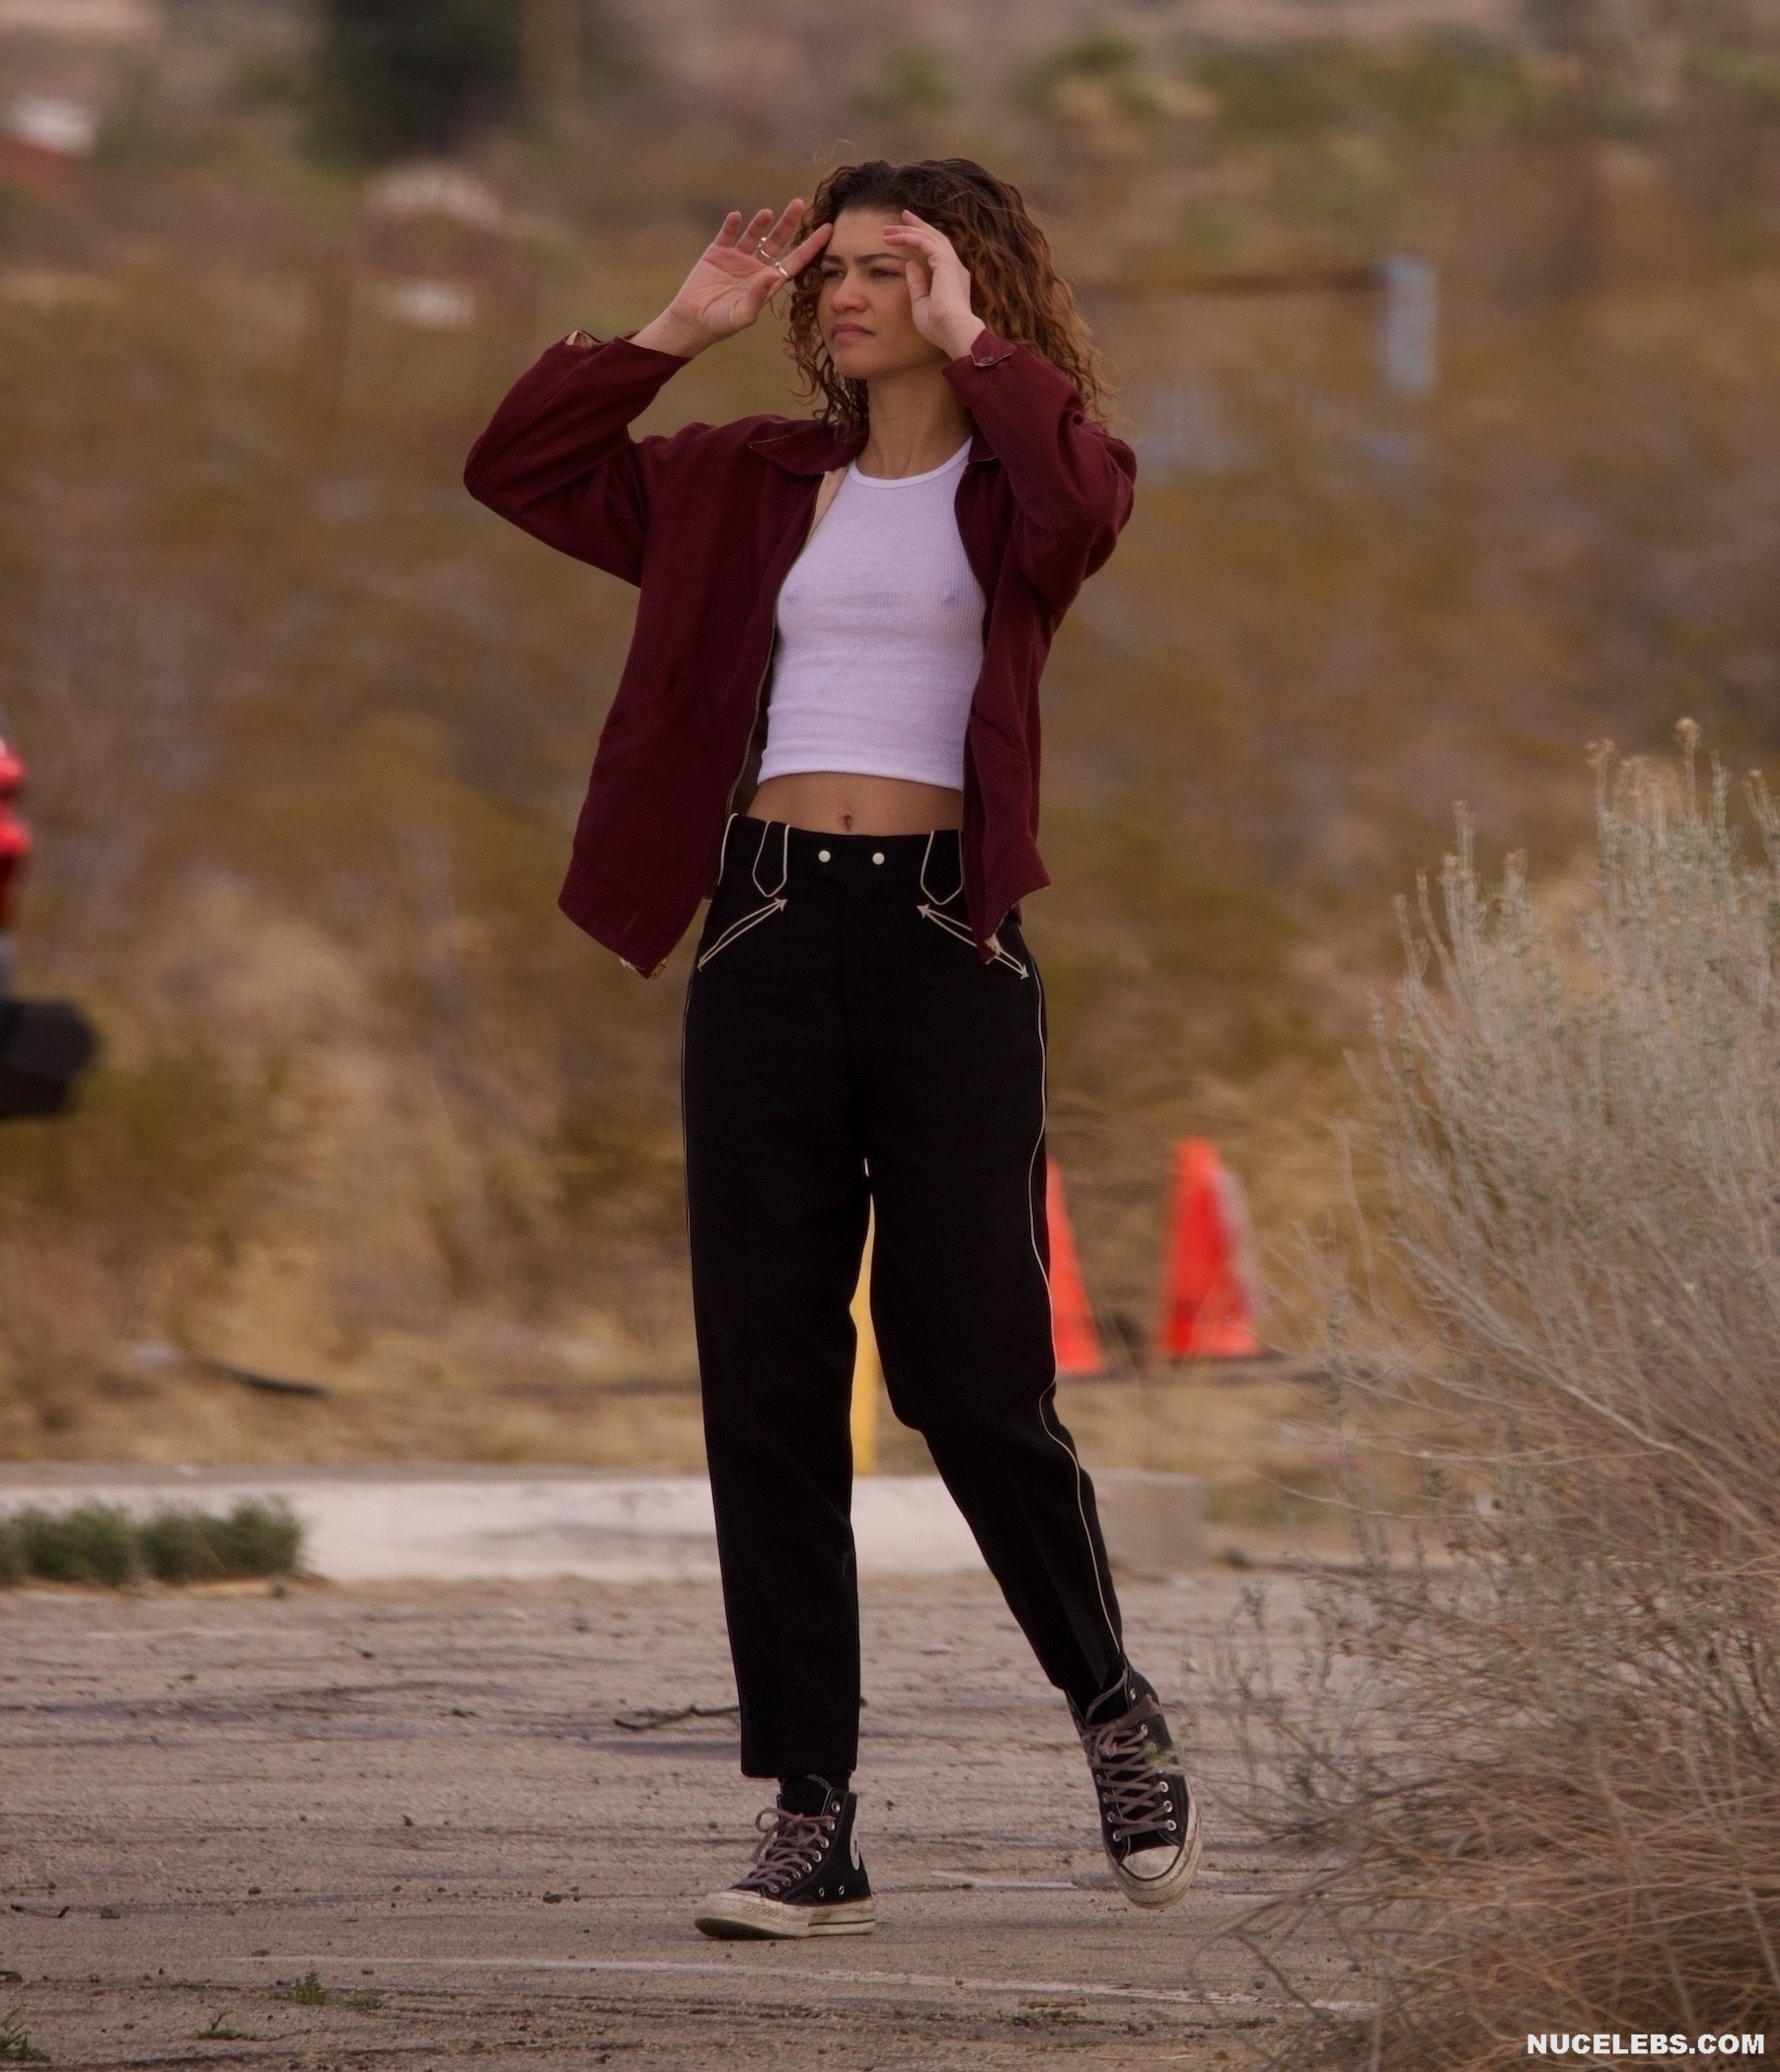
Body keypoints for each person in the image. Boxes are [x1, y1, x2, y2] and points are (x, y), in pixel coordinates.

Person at [464, 156, 1201, 1941]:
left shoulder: (1029, 479)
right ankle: (812, 1813)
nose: (848, 295)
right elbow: (521, 471)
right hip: (770, 937)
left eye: (890, 269)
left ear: (968, 286)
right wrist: (673, 331)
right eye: (834, 274)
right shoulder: (741, 479)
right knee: (770, 1383)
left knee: (972, 1375)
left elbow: (1086, 508)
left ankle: (1111, 1704)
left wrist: (984, 346)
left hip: (950, 946)